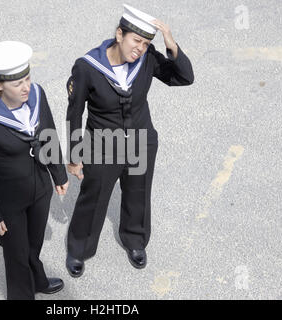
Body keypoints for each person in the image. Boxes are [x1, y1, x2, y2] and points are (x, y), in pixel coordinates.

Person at [65, 4, 194, 277]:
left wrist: (171, 44)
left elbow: (184, 77)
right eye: (136, 41)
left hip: (141, 142)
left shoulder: (146, 60)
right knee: (94, 197)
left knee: (138, 193)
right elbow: (75, 113)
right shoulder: (88, 67)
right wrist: (74, 156)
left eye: (146, 43)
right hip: (102, 147)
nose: (140, 48)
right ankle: (80, 249)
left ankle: (135, 241)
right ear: (119, 34)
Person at [0, 41, 69, 300]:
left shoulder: (37, 94)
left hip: (40, 189)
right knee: (16, 255)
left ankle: (37, 280)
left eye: (27, 78)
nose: (26, 87)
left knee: (33, 245)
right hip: (8, 201)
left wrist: (58, 173)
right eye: (17, 83)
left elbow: (48, 133)